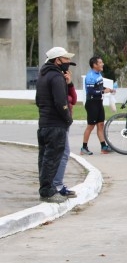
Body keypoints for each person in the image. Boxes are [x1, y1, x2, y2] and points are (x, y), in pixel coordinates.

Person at [35, 47, 75, 203]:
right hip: (55, 125)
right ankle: (48, 191)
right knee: (52, 159)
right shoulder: (56, 77)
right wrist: (67, 118)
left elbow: (38, 101)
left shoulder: (42, 75)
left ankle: (47, 188)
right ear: (57, 60)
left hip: (44, 123)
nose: (68, 62)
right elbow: (61, 102)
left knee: (45, 159)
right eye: (66, 59)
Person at [52, 61, 78, 198]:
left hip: (66, 121)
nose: (67, 70)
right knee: (63, 153)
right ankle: (57, 184)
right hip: (59, 122)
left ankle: (56, 183)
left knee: (63, 152)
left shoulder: (64, 83)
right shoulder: (56, 81)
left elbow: (74, 100)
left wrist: (70, 83)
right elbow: (64, 100)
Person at [81, 55, 114, 155]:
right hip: (92, 103)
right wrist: (103, 91)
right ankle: (84, 148)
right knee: (91, 126)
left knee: (100, 125)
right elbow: (91, 91)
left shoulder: (98, 74)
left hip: (99, 102)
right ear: (94, 65)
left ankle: (103, 147)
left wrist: (109, 89)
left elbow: (99, 86)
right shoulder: (90, 76)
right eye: (100, 62)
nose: (102, 64)